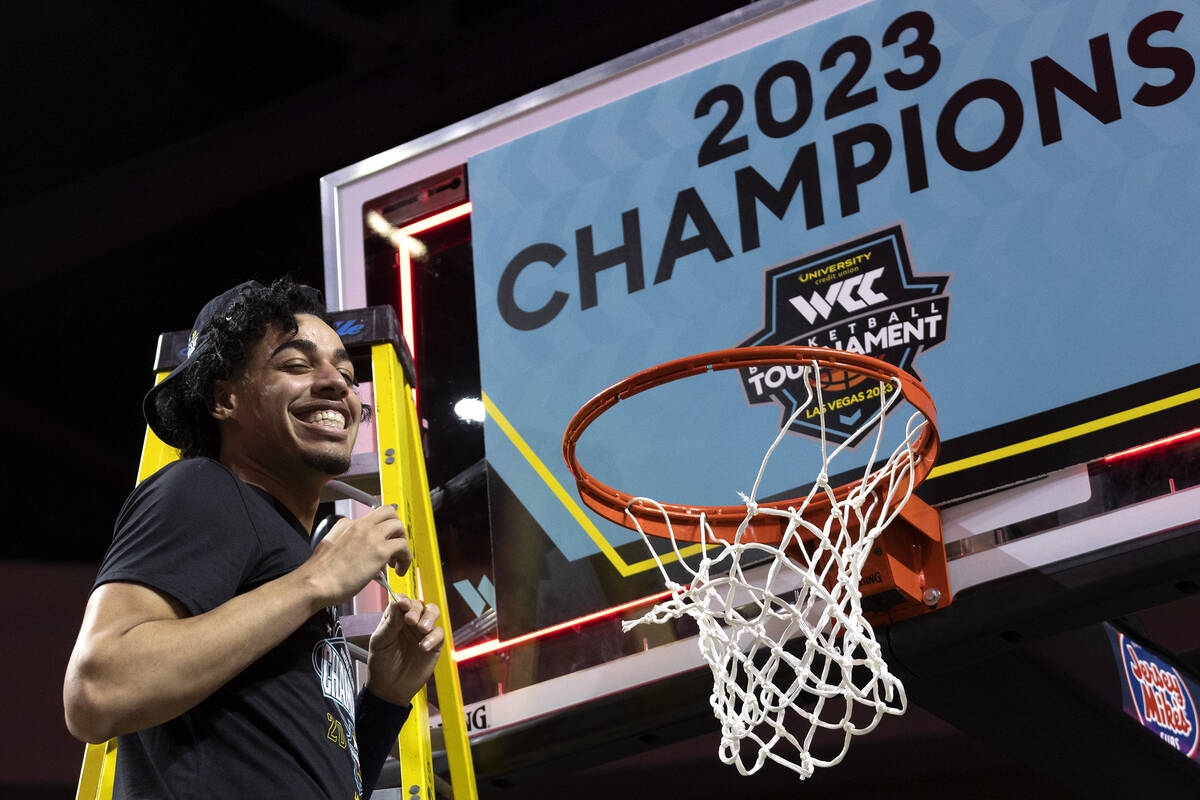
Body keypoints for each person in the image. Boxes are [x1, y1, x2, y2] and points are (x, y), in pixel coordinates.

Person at [64, 278, 443, 799]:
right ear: (225, 398)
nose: (336, 383)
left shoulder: (285, 557)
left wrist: (385, 696)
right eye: (296, 365)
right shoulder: (202, 488)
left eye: (347, 373)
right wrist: (316, 580)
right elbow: (96, 692)